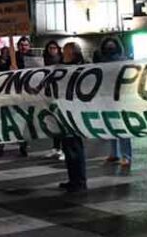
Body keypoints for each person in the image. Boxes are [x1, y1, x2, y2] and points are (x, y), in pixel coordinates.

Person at [93, 36, 132, 167]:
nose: (110, 48)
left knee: (122, 127)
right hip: (106, 96)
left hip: (119, 97)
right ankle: (114, 153)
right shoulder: (101, 62)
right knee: (110, 125)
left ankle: (126, 155)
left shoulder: (122, 60)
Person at [59, 42, 87, 193]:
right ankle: (73, 179)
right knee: (68, 147)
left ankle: (80, 181)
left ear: (73, 53)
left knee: (75, 147)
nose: (63, 53)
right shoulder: (61, 67)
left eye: (66, 51)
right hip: (63, 111)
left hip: (75, 112)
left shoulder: (81, 67)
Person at [43, 40, 65, 161]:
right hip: (49, 94)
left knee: (62, 123)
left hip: (60, 95)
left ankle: (63, 149)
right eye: (50, 48)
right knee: (53, 123)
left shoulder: (62, 61)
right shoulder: (43, 61)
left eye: (54, 48)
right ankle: (56, 147)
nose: (52, 50)